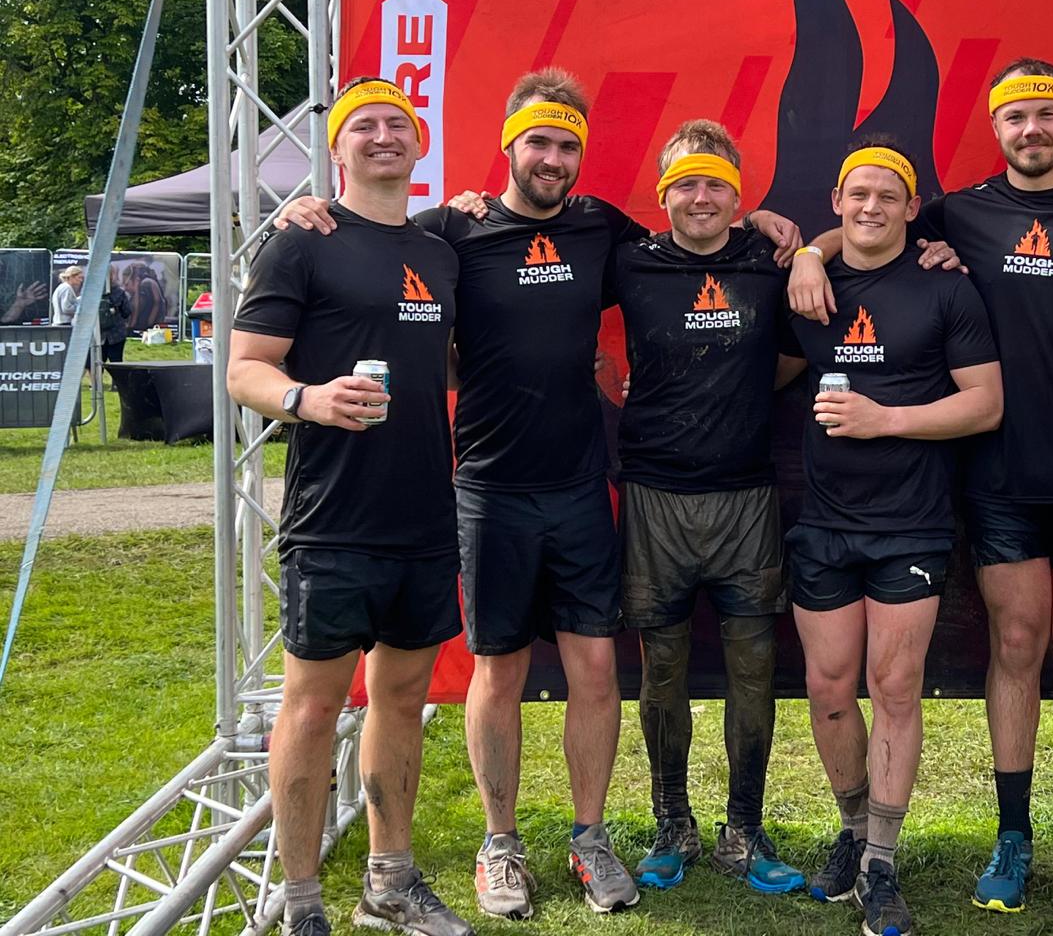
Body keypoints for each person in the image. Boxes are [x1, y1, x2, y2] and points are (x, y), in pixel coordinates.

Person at [276, 68, 798, 918]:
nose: (552, 158)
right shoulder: (453, 229)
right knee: (499, 669)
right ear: (509, 146)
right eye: (538, 143)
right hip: (488, 487)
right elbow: (371, 242)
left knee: (596, 669)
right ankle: (501, 844)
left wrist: (777, 228)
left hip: (581, 484)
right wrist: (308, 211)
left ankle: (590, 838)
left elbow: (695, 237)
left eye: (566, 145)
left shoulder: (601, 228)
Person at [791, 58, 1053, 918]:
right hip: (996, 476)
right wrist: (807, 250)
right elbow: (865, 227)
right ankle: (1012, 835)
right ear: (996, 128)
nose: (1031, 129)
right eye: (1015, 116)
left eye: (1046, 114)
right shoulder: (958, 212)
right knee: (1016, 646)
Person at [228, 77, 468, 936]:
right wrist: (308, 399)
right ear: (337, 149)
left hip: (424, 514)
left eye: (396, 123)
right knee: (312, 707)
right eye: (362, 125)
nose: (381, 136)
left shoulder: (440, 251)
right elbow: (244, 366)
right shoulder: (302, 240)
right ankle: (301, 904)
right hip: (332, 518)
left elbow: (440, 357)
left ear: (420, 143)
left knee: (401, 701)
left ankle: (388, 885)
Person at [781, 138, 1003, 936]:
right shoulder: (807, 287)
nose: (871, 207)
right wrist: (805, 255)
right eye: (858, 193)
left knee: (895, 687)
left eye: (888, 196)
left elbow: (985, 404)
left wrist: (887, 420)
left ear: (913, 208)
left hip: (911, 521)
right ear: (836, 202)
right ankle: (851, 827)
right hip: (823, 521)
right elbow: (766, 372)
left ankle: (881, 860)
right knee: (828, 689)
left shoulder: (947, 288)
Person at [611, 120, 805, 894]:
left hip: (746, 497)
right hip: (655, 495)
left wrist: (738, 385)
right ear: (663, 194)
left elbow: (791, 355)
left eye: (717, 184)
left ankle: (744, 831)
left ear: (738, 194)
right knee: (662, 671)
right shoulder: (628, 258)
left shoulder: (768, 260)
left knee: (753, 671)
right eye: (686, 183)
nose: (701, 197)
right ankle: (672, 824)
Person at [99, 278, 133, 362]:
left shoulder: (91, 292)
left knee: (96, 363)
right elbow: (126, 311)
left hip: (98, 333)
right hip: (117, 333)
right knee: (117, 363)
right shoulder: (119, 292)